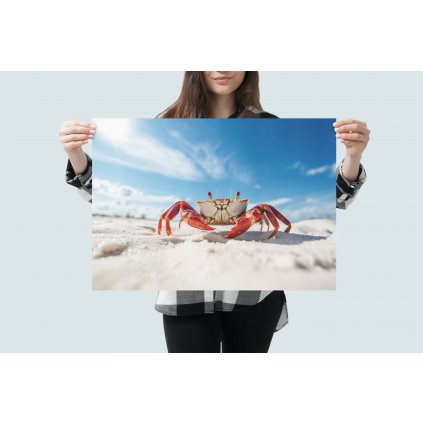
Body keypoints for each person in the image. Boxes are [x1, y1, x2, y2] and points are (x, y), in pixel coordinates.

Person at [59, 71, 370, 353]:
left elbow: (337, 200)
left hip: (256, 295)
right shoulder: (165, 122)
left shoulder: (267, 123)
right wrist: (77, 155)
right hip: (185, 295)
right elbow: (96, 194)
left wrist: (352, 158)